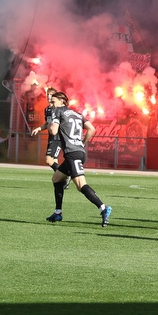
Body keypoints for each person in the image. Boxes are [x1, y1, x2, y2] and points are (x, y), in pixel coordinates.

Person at [44, 92, 112, 227]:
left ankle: (103, 208)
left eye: (53, 101)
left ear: (62, 102)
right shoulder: (76, 113)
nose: (51, 104)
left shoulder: (57, 111)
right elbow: (91, 129)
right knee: (56, 179)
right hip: (78, 151)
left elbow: (53, 131)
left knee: (81, 185)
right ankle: (58, 212)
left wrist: (52, 120)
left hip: (72, 154)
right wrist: (83, 143)